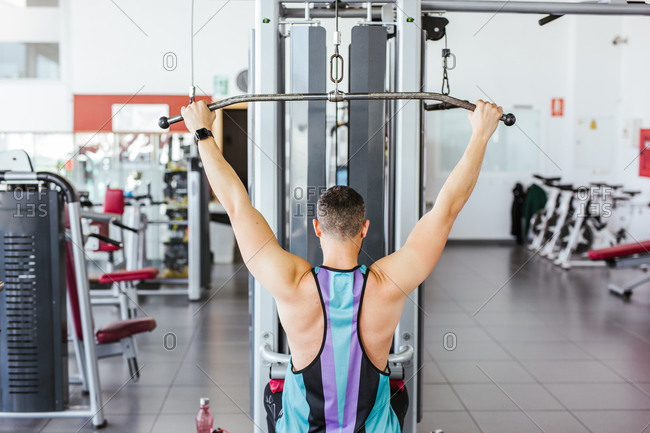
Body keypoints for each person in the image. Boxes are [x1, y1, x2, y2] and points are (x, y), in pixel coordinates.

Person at [181, 99, 503, 433]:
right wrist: (481, 134)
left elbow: (236, 204)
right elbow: (447, 209)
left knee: (272, 395)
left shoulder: (291, 282)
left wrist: (203, 132)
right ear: (364, 228)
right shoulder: (387, 284)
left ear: (317, 228)